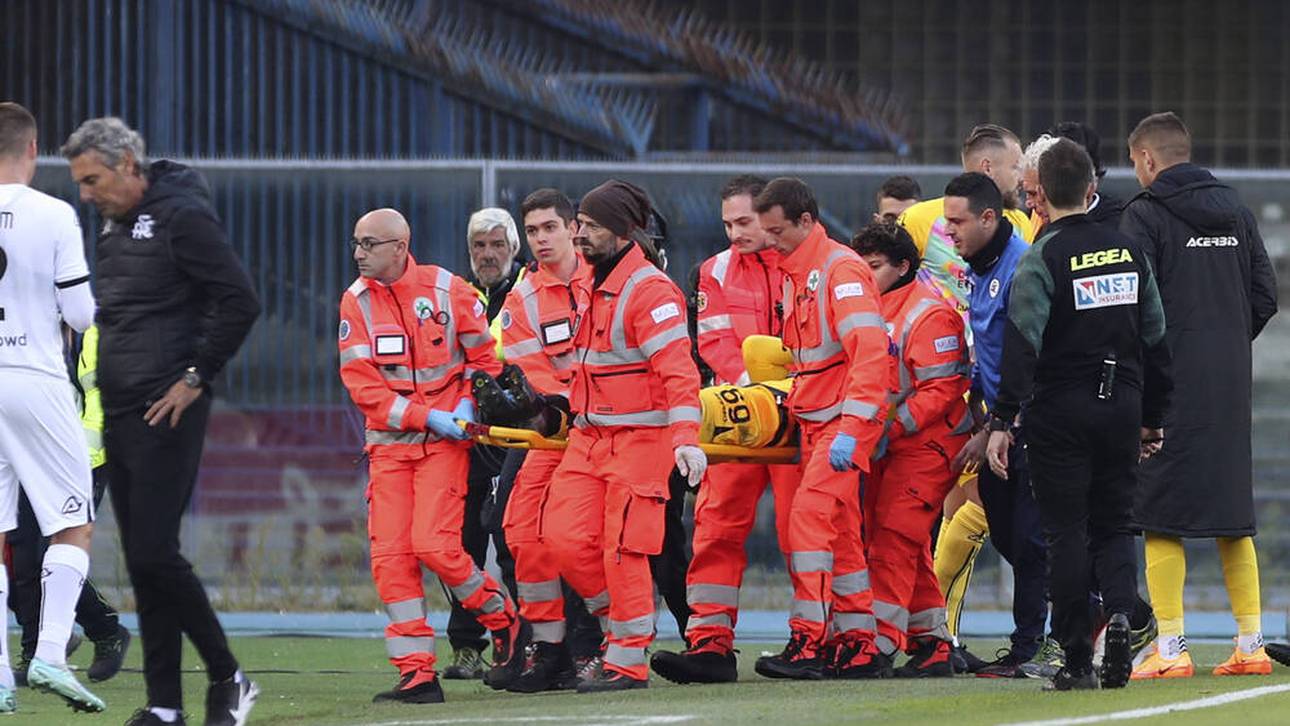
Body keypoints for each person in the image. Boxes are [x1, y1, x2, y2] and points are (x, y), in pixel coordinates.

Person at [62, 115, 260, 725]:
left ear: (126, 165)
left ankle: (229, 677)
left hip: (167, 407)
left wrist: (195, 377)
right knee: (145, 561)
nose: (85, 194)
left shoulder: (182, 217)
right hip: (120, 408)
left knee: (153, 553)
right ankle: (166, 704)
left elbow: (240, 299)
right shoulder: (113, 224)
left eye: (92, 180)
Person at [985, 138, 1174, 691]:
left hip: (1059, 411)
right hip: (1122, 405)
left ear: (1040, 195)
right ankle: (1121, 615)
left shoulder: (1041, 256)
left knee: (1065, 531)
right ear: (1091, 188)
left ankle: (1074, 656)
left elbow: (1022, 344)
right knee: (1114, 525)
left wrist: (1002, 421)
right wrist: (1152, 417)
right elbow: (1157, 340)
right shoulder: (1128, 251)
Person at [337, 207, 526, 704]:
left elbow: (484, 359)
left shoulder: (447, 290)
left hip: (444, 447)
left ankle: (503, 620)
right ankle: (417, 674)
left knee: (435, 547)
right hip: (391, 448)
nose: (359, 254)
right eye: (356, 243)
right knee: (390, 559)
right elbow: (363, 386)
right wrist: (426, 416)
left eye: (369, 244)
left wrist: (467, 401)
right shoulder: (356, 302)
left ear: (400, 247)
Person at [1120, 112, 1279, 679]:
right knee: (1233, 515)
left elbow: (1134, 303)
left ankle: (1170, 649)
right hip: (1228, 384)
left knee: (1159, 514)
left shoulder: (1144, 214)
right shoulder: (1236, 210)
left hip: (1166, 385)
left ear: (1147, 159)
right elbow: (1265, 296)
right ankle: (1251, 644)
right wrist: (1225, 341)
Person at [541, 179, 706, 693]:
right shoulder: (590, 283)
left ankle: (628, 660)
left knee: (623, 549)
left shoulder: (650, 290)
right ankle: (622, 626)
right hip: (590, 439)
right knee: (562, 538)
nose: (579, 234)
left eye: (590, 226)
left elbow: (679, 372)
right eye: (580, 224)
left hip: (641, 442)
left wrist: (686, 438)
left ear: (620, 231)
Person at [651, 174, 801, 685]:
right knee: (715, 529)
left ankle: (816, 640)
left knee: (803, 535)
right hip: (739, 419)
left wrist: (786, 396)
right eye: (728, 224)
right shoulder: (713, 272)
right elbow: (714, 344)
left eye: (744, 221)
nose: (735, 233)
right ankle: (709, 643)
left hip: (800, 417)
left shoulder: (808, 265)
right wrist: (758, 394)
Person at [750, 178, 889, 680]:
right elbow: (810, 357)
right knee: (841, 534)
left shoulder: (838, 270)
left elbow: (870, 353)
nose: (769, 241)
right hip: (820, 418)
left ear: (807, 221)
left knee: (807, 522)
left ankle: (808, 640)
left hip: (842, 421)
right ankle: (857, 643)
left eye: (777, 231)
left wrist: (852, 428)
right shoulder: (797, 272)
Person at [0, 102, 104, 715]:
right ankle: (49, 655)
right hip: (34, 379)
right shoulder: (54, 213)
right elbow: (82, 315)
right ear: (33, 149)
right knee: (72, 523)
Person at [850, 221, 971, 678]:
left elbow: (941, 389)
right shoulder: (871, 308)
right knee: (906, 541)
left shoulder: (929, 314)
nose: (866, 274)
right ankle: (932, 643)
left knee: (893, 538)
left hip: (928, 446)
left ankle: (878, 645)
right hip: (891, 446)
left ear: (903, 266)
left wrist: (889, 428)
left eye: (875, 266)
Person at [942, 172, 1049, 679]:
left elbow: (1030, 355)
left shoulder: (1022, 266)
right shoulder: (978, 267)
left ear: (988, 218)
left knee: (1029, 539)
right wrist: (977, 413)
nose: (948, 231)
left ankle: (1030, 646)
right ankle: (1116, 606)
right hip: (999, 422)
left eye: (957, 221)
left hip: (1029, 423)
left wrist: (997, 426)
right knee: (1009, 533)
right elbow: (986, 351)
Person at [491, 188, 594, 693]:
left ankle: (599, 646)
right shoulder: (523, 299)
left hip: (610, 431)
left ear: (573, 228)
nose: (541, 239)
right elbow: (532, 371)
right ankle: (549, 650)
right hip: (557, 430)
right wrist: (562, 406)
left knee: (580, 537)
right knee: (521, 531)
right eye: (532, 231)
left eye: (550, 227)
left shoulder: (606, 280)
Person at [10, 324, 130, 687]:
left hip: (81, 457)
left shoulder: (89, 331)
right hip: (28, 457)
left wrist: (82, 453)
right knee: (20, 555)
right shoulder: (22, 328)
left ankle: (106, 631)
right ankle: (38, 648)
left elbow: (100, 401)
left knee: (49, 554)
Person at [443, 207, 524, 680]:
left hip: (518, 433)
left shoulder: (530, 289)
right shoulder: (454, 293)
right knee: (460, 543)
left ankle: (525, 640)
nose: (488, 254)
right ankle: (466, 646)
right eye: (479, 246)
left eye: (497, 244)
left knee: (511, 538)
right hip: (465, 433)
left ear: (514, 248)